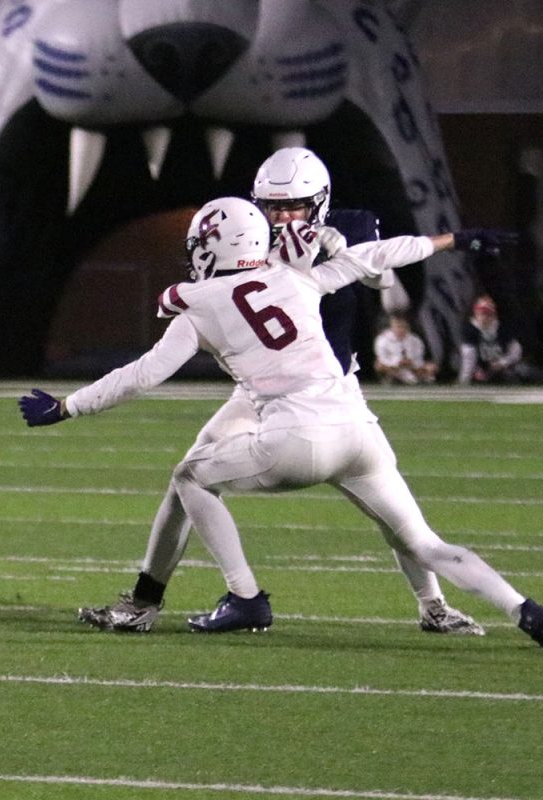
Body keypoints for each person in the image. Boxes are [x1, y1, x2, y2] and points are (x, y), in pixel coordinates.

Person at [19, 197, 543, 649]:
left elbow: (143, 375)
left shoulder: (201, 304)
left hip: (295, 435)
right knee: (423, 542)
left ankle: (246, 597)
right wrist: (455, 240)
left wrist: (68, 406)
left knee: (191, 476)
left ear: (213, 247)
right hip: (358, 430)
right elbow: (374, 257)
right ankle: (526, 610)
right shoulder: (293, 275)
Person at [73, 147, 482, 638]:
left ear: (321, 202)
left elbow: (382, 278)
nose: (284, 217)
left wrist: (336, 248)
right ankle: (144, 601)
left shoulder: (349, 226)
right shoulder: (251, 243)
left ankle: (433, 605)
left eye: (295, 207)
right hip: (261, 392)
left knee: (387, 499)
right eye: (273, 207)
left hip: (333, 391)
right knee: (187, 477)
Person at [457, 295, 543, 385]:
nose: (483, 317)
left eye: (487, 314)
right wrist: (465, 379)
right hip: (480, 368)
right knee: (456, 361)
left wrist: (502, 362)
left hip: (501, 367)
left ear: (493, 315)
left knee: (522, 370)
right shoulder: (470, 330)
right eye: (481, 313)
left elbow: (516, 351)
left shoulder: (502, 329)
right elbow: (469, 356)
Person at [374, 313, 438, 385]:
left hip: (411, 367)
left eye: (403, 327)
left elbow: (418, 357)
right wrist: (397, 362)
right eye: (398, 327)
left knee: (431, 367)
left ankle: (411, 378)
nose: (401, 330)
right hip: (393, 367)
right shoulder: (382, 340)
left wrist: (410, 362)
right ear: (392, 327)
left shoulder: (415, 340)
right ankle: (396, 377)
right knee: (378, 365)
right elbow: (382, 358)